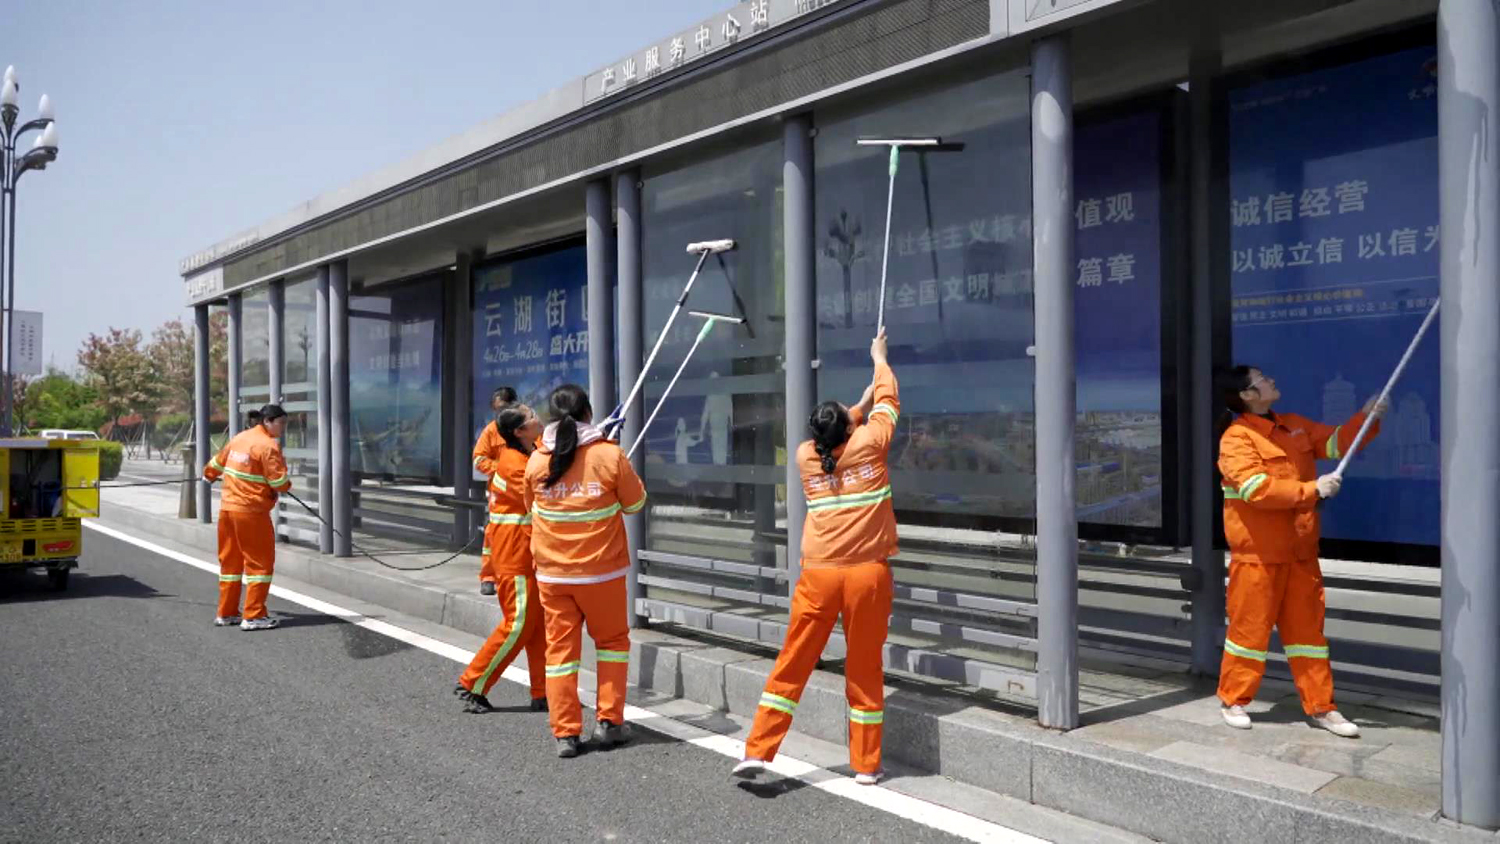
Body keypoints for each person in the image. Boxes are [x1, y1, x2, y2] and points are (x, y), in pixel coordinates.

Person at [734, 327, 898, 785]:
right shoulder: (872, 442)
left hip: (819, 576)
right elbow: (889, 400)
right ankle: (865, 765)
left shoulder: (807, 455)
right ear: (850, 428)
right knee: (864, 666)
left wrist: (857, 405)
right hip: (866, 575)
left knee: (794, 660)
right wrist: (879, 358)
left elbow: (846, 426)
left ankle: (758, 750)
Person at [1214, 366, 1387, 737]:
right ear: (1247, 395)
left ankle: (1322, 708)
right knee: (1248, 634)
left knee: (1309, 637)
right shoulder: (1236, 438)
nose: (1271, 380)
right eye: (1262, 379)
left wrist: (1367, 417)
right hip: (1258, 559)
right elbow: (1256, 490)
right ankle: (1233, 699)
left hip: (1300, 556)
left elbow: (1337, 443)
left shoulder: (1294, 426)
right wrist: (1313, 490)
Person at [524, 384, 647, 758]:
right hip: (601, 573)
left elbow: (531, 508)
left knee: (560, 653)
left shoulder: (536, 461)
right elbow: (635, 504)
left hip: (552, 574)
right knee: (612, 645)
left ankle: (565, 733)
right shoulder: (609, 454)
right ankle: (609, 722)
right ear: (588, 413)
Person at [454, 402, 548, 714]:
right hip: (515, 554)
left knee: (536, 626)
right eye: (531, 417)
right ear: (519, 431)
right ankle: (473, 683)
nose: (537, 417)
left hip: (526, 552)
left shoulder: (527, 452)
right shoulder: (514, 464)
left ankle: (543, 692)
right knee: (518, 624)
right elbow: (546, 492)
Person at [202, 404, 292, 631]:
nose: (283, 428)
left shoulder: (240, 438)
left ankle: (227, 613)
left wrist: (208, 475)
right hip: (251, 512)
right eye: (281, 423)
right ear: (267, 422)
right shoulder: (268, 446)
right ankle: (253, 615)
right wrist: (286, 483)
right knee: (259, 564)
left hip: (228, 511)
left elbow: (216, 463)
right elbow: (279, 483)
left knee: (230, 563)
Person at [473, 386, 520, 596]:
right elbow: (479, 459)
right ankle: (488, 577)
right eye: (497, 408)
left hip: (523, 493)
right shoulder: (491, 430)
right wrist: (502, 470)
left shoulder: (525, 428)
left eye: (505, 407)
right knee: (492, 535)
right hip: (498, 493)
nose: (501, 412)